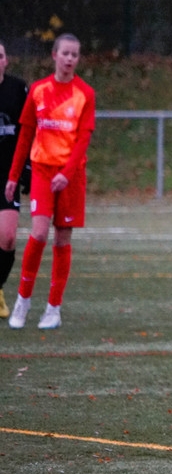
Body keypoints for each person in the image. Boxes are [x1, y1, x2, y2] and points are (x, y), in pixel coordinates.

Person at [5, 33, 95, 330]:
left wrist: (66, 174)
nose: (70, 59)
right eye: (65, 53)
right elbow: (24, 137)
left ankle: (53, 308)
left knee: (61, 239)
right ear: (54, 55)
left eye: (75, 55)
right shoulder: (39, 91)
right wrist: (13, 177)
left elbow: (83, 140)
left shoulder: (85, 94)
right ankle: (22, 302)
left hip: (70, 176)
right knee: (39, 233)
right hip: (43, 172)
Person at [0, 40, 29, 319]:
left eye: (0, 56)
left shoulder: (18, 89)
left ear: (6, 60)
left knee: (7, 238)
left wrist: (27, 171)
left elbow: (28, 131)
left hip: (7, 176)